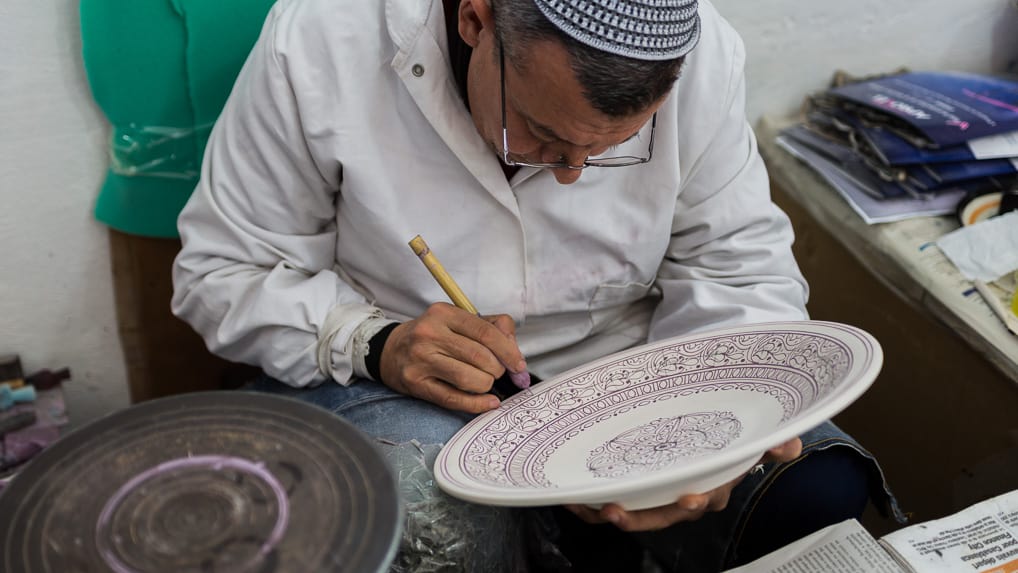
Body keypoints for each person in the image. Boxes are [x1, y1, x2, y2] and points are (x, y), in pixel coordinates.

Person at [172, 0, 902, 570]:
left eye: (609, 147)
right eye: (541, 130)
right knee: (437, 517)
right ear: (475, 20)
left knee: (813, 488)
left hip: (628, 359)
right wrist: (375, 342)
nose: (570, 172)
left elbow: (737, 265)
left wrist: (725, 428)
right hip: (410, 384)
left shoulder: (705, 52)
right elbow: (223, 271)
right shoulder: (320, 44)